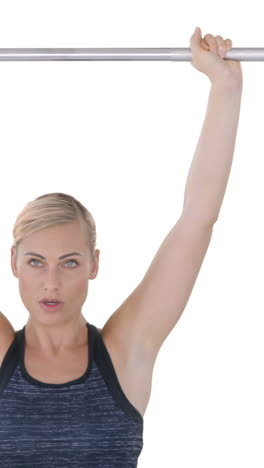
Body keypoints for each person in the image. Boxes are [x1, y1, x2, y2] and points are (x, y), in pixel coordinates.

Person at [0, 27, 243, 467]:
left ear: (94, 265)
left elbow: (197, 220)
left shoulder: (124, 352)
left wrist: (225, 88)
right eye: (36, 262)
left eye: (69, 262)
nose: (51, 282)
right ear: (13, 262)